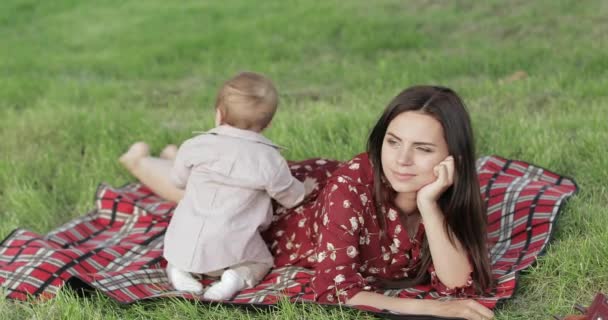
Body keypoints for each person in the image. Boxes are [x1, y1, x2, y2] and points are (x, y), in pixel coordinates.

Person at [120, 85, 495, 319]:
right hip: (292, 206)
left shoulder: (446, 192)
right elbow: (336, 291)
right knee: (197, 196)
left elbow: (459, 284)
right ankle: (139, 159)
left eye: (423, 149)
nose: (401, 160)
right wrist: (433, 309)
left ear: (453, 159)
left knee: (213, 178)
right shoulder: (355, 185)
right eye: (393, 142)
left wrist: (429, 206)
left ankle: (180, 155)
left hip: (321, 188)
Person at [122, 71, 313, 300]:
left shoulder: (195, 145)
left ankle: (178, 270)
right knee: (261, 261)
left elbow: (177, 181)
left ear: (218, 114)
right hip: (234, 250)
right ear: (268, 123)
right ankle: (234, 278)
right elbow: (290, 196)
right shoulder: (270, 161)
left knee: (179, 247)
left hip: (186, 243)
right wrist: (306, 188)